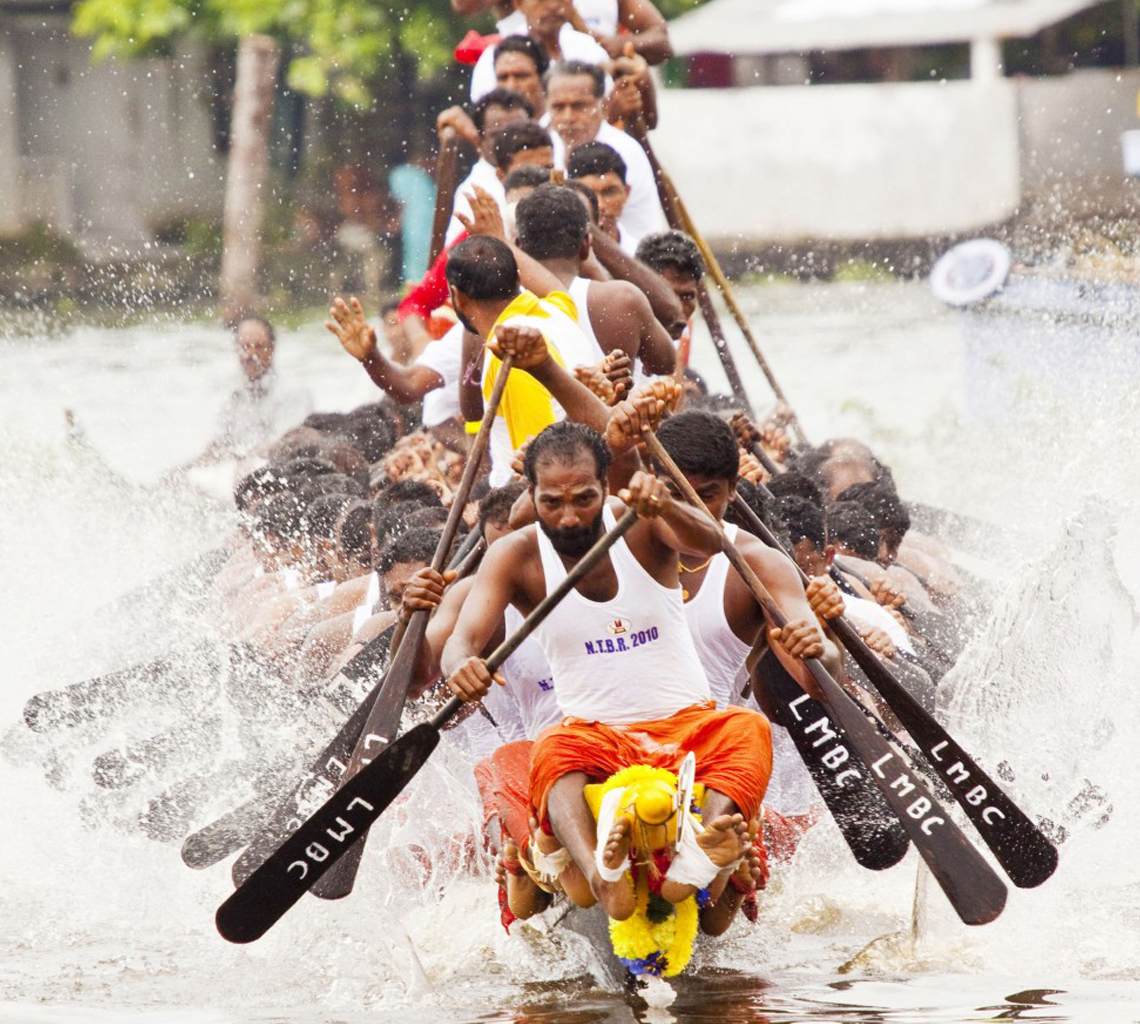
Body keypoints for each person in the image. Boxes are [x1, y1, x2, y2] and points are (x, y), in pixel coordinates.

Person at [440, 419, 780, 921]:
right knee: (550, 749)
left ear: (606, 488)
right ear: (530, 495)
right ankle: (599, 875)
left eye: (584, 498)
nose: (570, 517)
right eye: (552, 502)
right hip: (594, 739)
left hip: (687, 729)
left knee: (749, 728)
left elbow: (711, 542)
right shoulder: (515, 554)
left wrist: (664, 504)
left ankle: (699, 858)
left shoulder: (641, 522)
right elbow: (460, 641)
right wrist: (461, 666)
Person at [445, 235, 605, 485]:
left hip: (537, 504)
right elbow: (552, 286)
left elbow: (542, 467)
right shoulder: (556, 311)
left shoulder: (511, 355)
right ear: (518, 280)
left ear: (458, 296)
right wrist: (497, 234)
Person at [545, 61, 666, 245]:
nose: (568, 118)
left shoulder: (626, 151)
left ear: (601, 105)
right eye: (558, 107)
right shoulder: (544, 147)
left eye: (579, 106)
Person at [470, 0, 612, 103]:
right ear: (519, 4)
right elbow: (488, 118)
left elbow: (607, 102)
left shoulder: (588, 48)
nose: (553, 5)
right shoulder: (496, 57)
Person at [566, 142, 635, 253]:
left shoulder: (641, 256)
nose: (600, 205)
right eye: (588, 194)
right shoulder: (559, 258)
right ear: (570, 195)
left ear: (626, 192)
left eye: (610, 192)